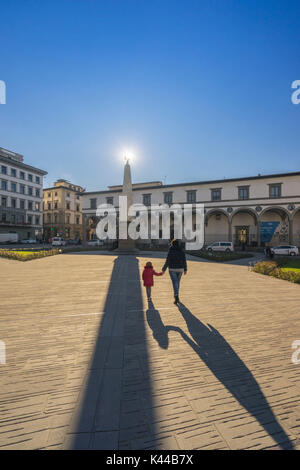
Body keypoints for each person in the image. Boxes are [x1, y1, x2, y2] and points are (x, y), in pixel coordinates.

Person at [162, 239, 187, 304]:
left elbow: (168, 261)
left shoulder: (170, 250)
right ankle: (177, 295)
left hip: (172, 269)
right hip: (180, 269)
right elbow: (184, 260)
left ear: (172, 244)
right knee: (177, 282)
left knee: (174, 283)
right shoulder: (181, 250)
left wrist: (164, 269)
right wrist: (185, 269)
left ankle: (176, 296)